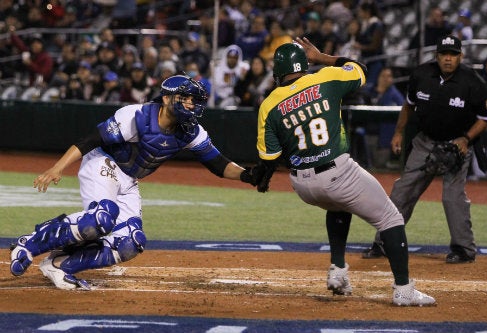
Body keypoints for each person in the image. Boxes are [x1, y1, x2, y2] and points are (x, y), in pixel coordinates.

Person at [9, 75, 263, 290]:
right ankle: (29, 244)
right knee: (100, 219)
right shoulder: (138, 115)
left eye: (193, 100)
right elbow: (91, 139)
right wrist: (57, 167)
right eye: (184, 98)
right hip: (103, 162)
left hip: (129, 178)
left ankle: (60, 266)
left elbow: (217, 163)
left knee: (130, 242)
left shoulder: (191, 131)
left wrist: (248, 175)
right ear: (166, 98)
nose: (190, 104)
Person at [251, 37, 435, 306]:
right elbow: (360, 69)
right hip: (336, 172)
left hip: (302, 185)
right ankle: (404, 289)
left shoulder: (268, 104)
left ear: (276, 72)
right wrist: (323, 57)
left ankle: (338, 271)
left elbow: (269, 158)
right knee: (391, 218)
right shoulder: (325, 78)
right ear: (304, 64)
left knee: (338, 206)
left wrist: (263, 179)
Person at [361, 35, 487, 263]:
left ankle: (464, 249)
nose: (448, 59)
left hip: (456, 144)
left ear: (460, 56)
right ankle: (384, 242)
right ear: (437, 56)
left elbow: (486, 118)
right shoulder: (422, 75)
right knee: (403, 191)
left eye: (453, 55)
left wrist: (465, 139)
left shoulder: (472, 82)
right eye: (444, 54)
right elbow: (408, 106)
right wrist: (399, 132)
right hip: (425, 141)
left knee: (452, 198)